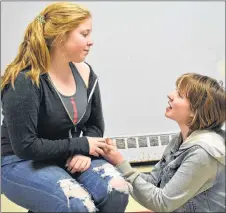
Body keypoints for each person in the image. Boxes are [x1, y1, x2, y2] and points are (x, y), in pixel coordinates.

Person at [1, 2, 129, 212]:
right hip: (19, 161)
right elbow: (26, 147)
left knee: (118, 190)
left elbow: (95, 127)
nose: (91, 41)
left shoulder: (86, 73)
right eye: (84, 34)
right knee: (77, 206)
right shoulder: (24, 81)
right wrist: (80, 145)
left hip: (67, 155)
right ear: (61, 37)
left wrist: (83, 152)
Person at [102, 73, 226, 212]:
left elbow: (162, 203)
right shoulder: (180, 140)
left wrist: (121, 165)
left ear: (195, 111)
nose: (170, 95)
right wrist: (118, 163)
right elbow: (155, 182)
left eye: (179, 95)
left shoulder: (203, 153)